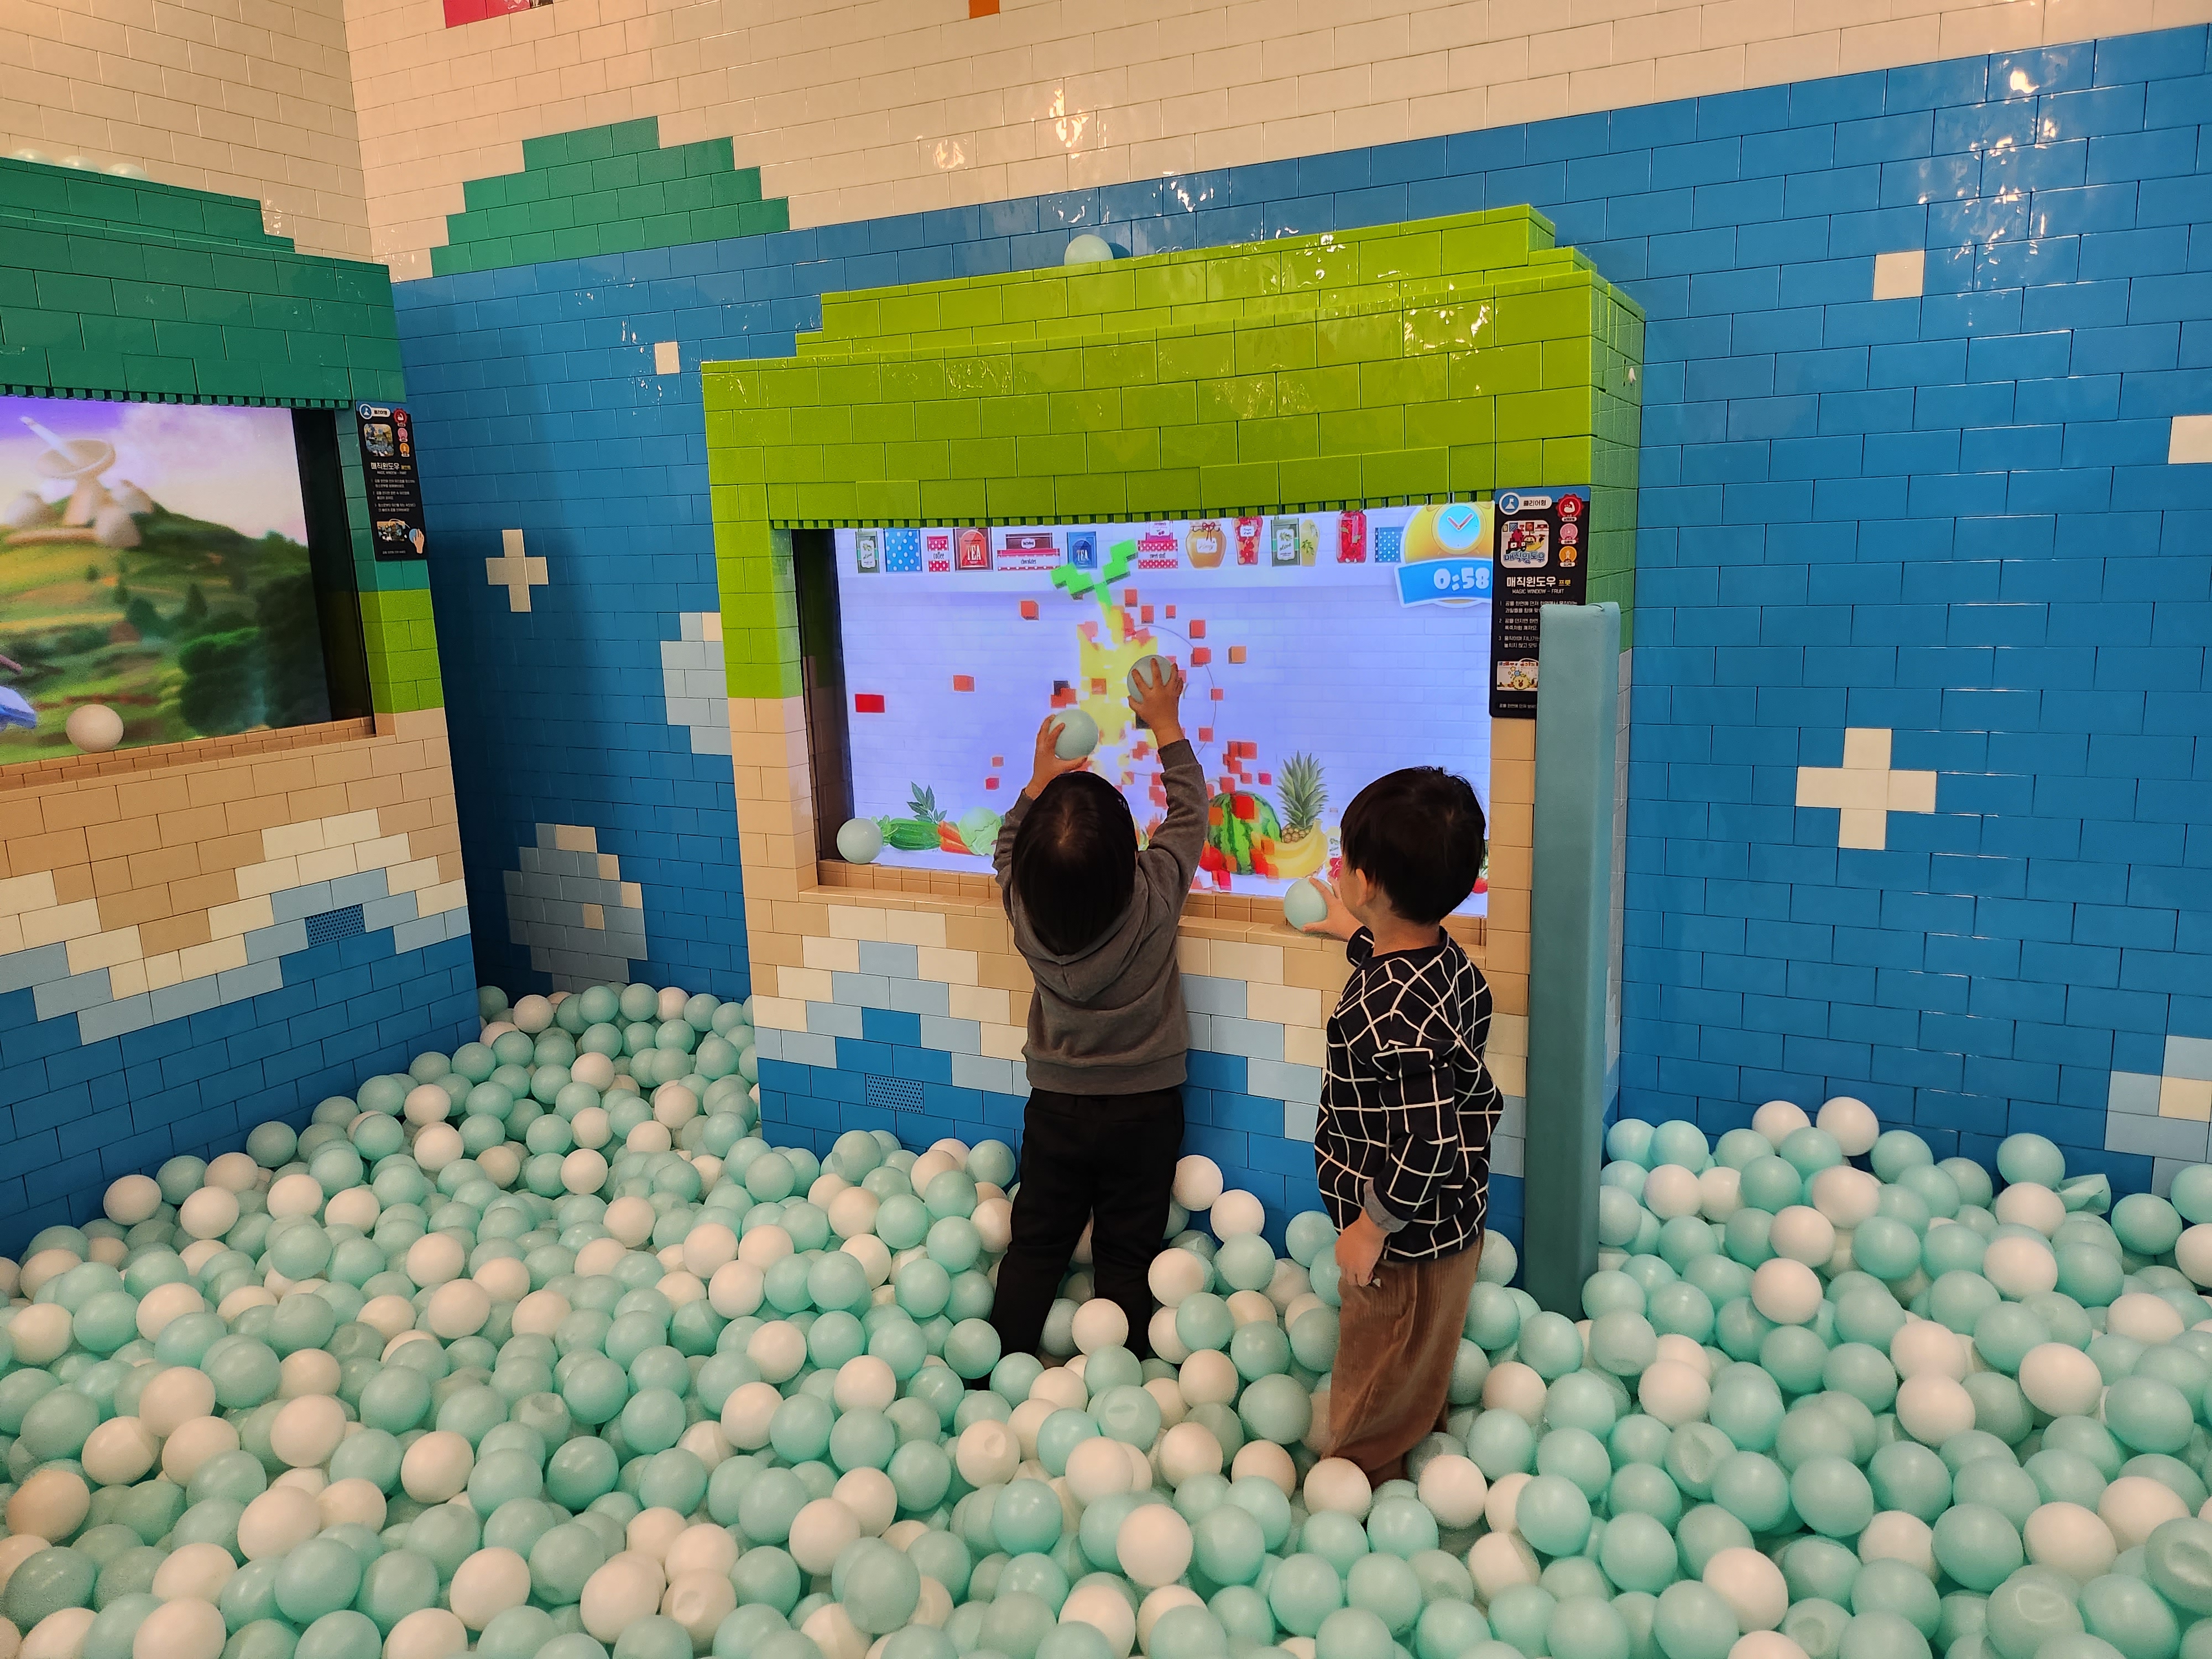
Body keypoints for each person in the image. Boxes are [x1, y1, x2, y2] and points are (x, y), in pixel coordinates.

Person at [988, 661, 1205, 1360]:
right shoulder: (1157, 892)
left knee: (1036, 1243)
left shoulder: (1022, 908)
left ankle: (996, 1365)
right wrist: (1166, 725)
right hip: (1146, 1107)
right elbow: (1189, 816)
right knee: (1127, 1249)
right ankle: (1125, 1368)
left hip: (1056, 1107)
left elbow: (1004, 848)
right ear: (1129, 854)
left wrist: (1036, 782)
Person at [1300, 766, 1502, 1481]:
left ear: (1366, 881)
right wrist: (1354, 933)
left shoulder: (1382, 1010)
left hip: (1403, 1242)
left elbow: (1428, 1139)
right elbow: (1419, 994)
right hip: (1451, 1222)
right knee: (1422, 1351)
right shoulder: (1447, 959)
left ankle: (1359, 1475)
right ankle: (1420, 1430)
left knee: (1379, 1361)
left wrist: (1371, 1226)